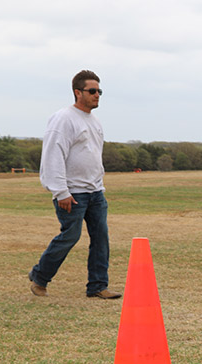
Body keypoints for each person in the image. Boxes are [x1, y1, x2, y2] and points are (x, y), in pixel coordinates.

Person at [28, 70, 122, 299]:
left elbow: (92, 156)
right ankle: (39, 278)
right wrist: (61, 192)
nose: (97, 95)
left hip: (95, 192)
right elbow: (53, 156)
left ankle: (98, 286)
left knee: (101, 238)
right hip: (72, 193)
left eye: (99, 91)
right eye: (92, 91)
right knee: (70, 236)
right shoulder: (63, 119)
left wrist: (99, 184)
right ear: (77, 92)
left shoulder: (95, 121)